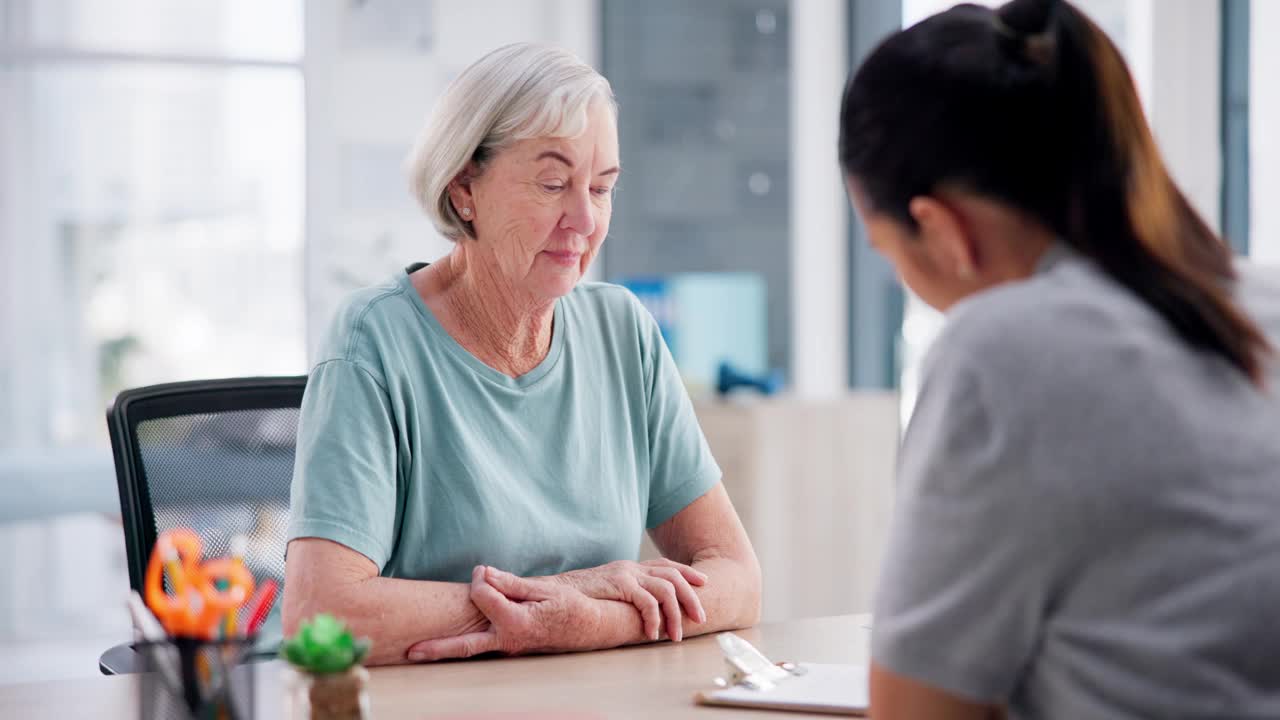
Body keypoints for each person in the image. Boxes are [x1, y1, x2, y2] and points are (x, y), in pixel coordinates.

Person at [838, 0, 1280, 717]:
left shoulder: (1003, 349)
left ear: (941, 230)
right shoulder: (1263, 303)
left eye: (887, 252)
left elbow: (918, 709)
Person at [282, 43, 760, 666]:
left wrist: (589, 622)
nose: (584, 219)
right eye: (553, 183)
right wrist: (569, 593)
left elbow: (738, 582)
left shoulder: (624, 332)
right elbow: (321, 616)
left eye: (602, 187)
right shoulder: (373, 343)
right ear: (464, 193)